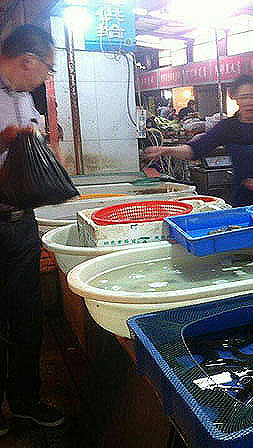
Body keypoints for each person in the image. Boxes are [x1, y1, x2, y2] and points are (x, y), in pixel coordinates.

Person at [0, 24, 65, 437]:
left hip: (21, 223)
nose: (46, 77)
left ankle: (25, 403)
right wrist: (4, 139)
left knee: (27, 318)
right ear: (28, 60)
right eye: (48, 68)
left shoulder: (23, 96)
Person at [145, 75, 253, 206]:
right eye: (244, 97)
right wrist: (166, 150)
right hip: (243, 199)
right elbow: (196, 149)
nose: (249, 101)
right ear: (236, 99)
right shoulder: (228, 127)